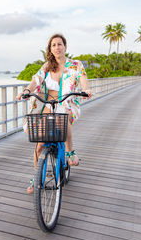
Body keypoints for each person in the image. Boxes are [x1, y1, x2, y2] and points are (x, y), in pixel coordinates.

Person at [17, 33, 92, 193]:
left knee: (64, 115)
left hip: (67, 103)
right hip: (47, 105)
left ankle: (70, 152)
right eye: (53, 45)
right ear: (50, 49)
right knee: (39, 146)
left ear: (65, 47)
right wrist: (26, 91)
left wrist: (86, 89)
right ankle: (38, 178)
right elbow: (35, 80)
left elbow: (83, 79)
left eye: (59, 44)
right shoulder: (47, 66)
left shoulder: (75, 65)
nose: (57, 47)